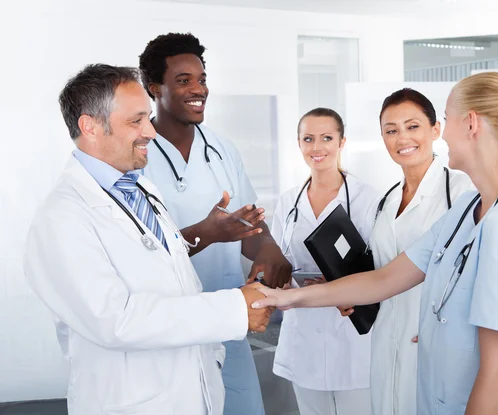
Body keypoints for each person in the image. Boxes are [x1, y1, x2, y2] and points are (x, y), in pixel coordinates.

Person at [253, 72, 498, 415]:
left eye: (446, 120)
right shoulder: (469, 209)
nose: (444, 132)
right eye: (391, 130)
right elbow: (385, 279)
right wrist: (287, 298)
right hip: (439, 389)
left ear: (471, 124)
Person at [23, 64, 273, 415]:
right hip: (133, 403)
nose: (151, 132)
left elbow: (159, 264)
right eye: (136, 120)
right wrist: (234, 308)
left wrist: (206, 231)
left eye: (148, 119)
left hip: (191, 391)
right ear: (90, 126)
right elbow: (115, 320)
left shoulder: (140, 189)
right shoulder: (63, 217)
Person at [138, 33, 291, 415]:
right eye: (184, 80)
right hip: (170, 326)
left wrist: (270, 253)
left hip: (228, 320)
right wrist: (207, 233)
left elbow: (252, 229)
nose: (198, 89)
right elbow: (139, 252)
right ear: (153, 87)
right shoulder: (135, 157)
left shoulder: (222, 150)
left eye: (202, 79)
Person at [341, 89, 471, 414]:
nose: (402, 138)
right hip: (386, 341)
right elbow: (382, 272)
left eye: (412, 126)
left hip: (437, 343)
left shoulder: (461, 191)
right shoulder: (384, 202)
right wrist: (348, 293)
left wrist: (447, 331)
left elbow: (474, 273)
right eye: (391, 130)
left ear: (435, 129)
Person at [267, 108, 379, 415]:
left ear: (342, 142)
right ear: (299, 144)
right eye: (308, 139)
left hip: (352, 338)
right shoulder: (288, 202)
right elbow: (278, 260)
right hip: (304, 338)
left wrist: (335, 286)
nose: (317, 147)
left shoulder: (368, 199)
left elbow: (382, 270)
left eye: (327, 138)